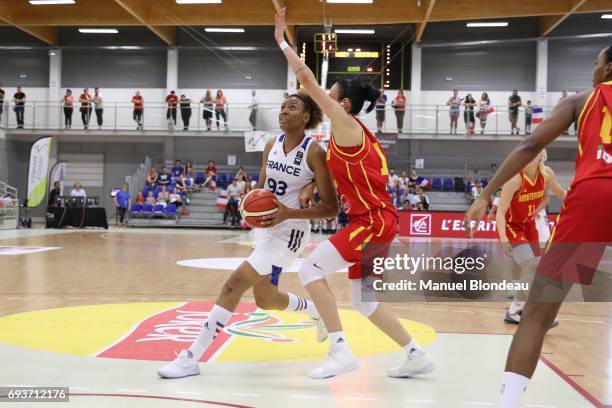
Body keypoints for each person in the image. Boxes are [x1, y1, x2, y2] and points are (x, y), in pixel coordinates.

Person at [270, 7, 436, 380]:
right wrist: (313, 183)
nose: (322, 99)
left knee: (311, 268)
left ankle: (340, 350)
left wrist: (283, 42)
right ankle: (415, 353)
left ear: (343, 104)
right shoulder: (352, 135)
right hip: (381, 222)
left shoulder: (345, 125)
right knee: (364, 301)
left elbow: (306, 80)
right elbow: (342, 173)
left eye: (330, 96)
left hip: (371, 223)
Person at [464, 46, 612, 408]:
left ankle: (508, 402)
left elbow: (531, 143)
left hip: (596, 196)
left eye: (595, 65)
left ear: (608, 68)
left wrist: (486, 193)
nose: (593, 71)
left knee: (538, 312)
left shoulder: (585, 100)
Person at [158, 89, 337, 380]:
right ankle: (314, 310)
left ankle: (191, 357)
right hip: (266, 229)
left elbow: (331, 208)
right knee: (266, 299)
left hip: (289, 232)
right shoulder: (271, 144)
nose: (283, 112)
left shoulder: (314, 151)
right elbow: (262, 188)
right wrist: (250, 206)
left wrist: (298, 201)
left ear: (306, 117)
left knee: (233, 285)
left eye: (291, 108)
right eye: (282, 107)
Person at [495, 150, 567, 324]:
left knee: (538, 270)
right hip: (513, 227)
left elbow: (560, 193)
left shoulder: (547, 173)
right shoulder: (514, 180)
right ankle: (515, 310)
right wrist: (504, 239)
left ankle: (531, 310)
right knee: (530, 264)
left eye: (538, 152)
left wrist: (582, 202)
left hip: (529, 226)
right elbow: (501, 213)